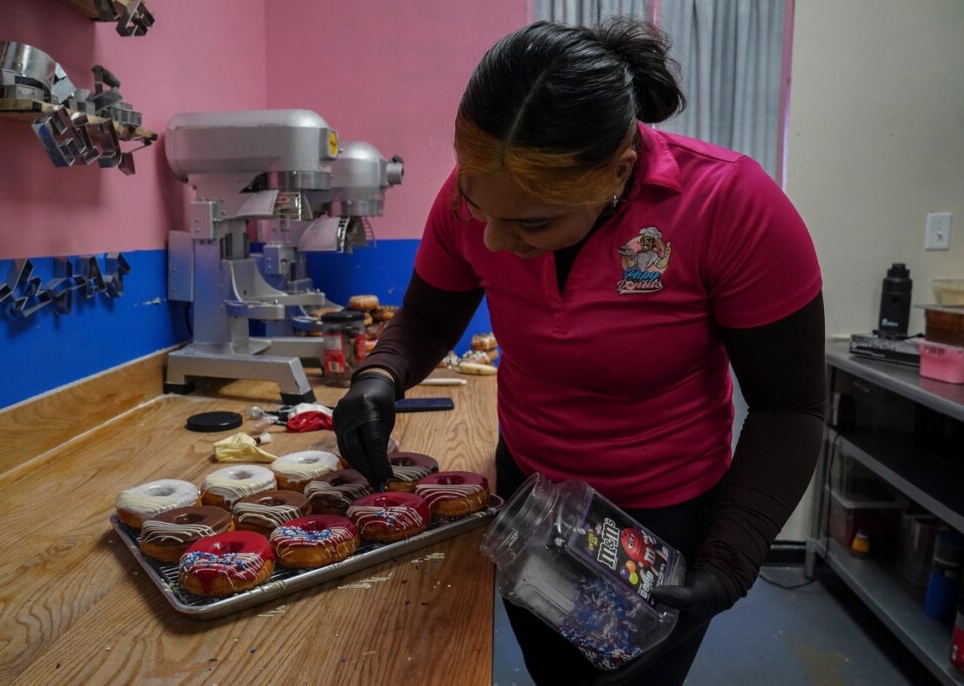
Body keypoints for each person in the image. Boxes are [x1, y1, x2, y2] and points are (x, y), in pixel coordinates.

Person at [333, 17, 825, 686]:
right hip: (530, 496)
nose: (496, 243)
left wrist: (732, 557)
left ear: (619, 171)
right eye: (481, 208)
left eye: (533, 222)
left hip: (661, 517)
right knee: (557, 674)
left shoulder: (731, 205)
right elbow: (427, 313)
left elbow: (789, 409)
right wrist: (380, 375)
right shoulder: (475, 197)